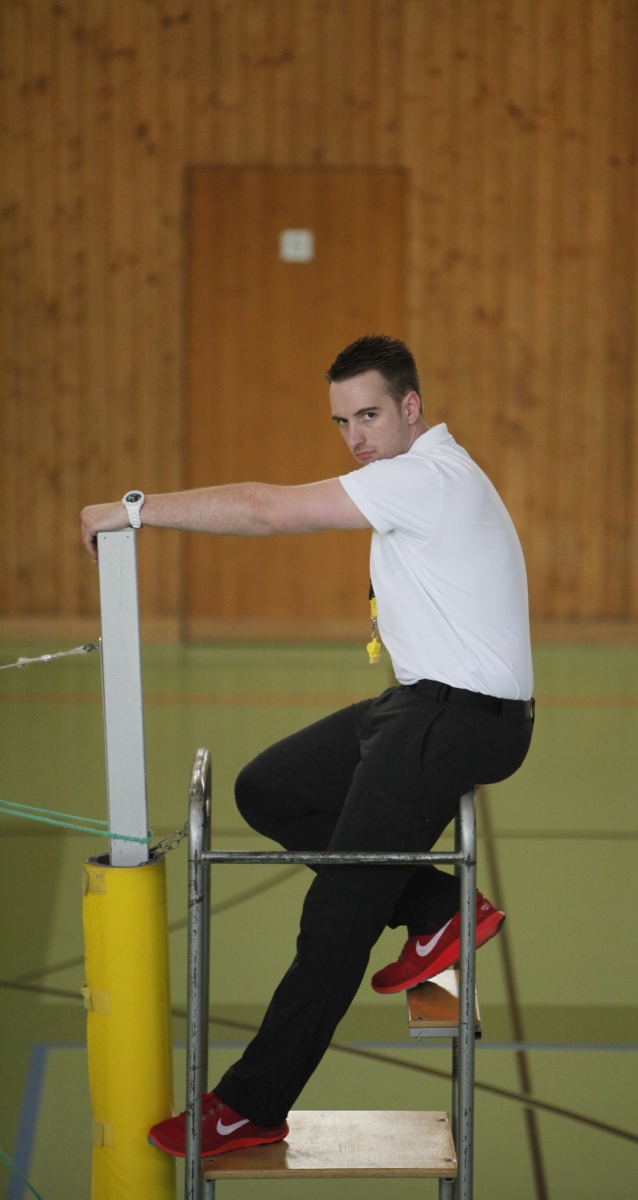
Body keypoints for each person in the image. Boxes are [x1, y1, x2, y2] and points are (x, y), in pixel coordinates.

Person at [80, 335, 534, 1159]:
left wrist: (135, 510)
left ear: (411, 408)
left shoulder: (424, 477)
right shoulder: (418, 474)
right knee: (270, 789)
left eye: (370, 415)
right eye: (342, 422)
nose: (356, 437)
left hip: (460, 718)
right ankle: (439, 907)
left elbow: (266, 509)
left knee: (337, 913)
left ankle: (251, 1106)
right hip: (419, 704)